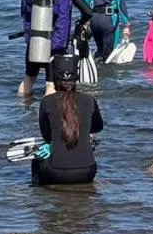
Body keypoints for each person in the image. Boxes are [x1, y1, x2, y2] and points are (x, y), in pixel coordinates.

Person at [32, 53, 104, 186]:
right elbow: (98, 127)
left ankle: (37, 193)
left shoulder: (47, 102)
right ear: (76, 78)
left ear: (54, 78)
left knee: (37, 157)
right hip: (88, 171)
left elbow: (47, 136)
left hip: (56, 173)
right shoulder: (89, 100)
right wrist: (83, 128)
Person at [18, 0, 83, 98]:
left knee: (29, 78)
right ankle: (47, 114)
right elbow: (64, 20)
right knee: (50, 84)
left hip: (34, 41)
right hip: (54, 45)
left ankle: (22, 109)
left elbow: (24, 12)